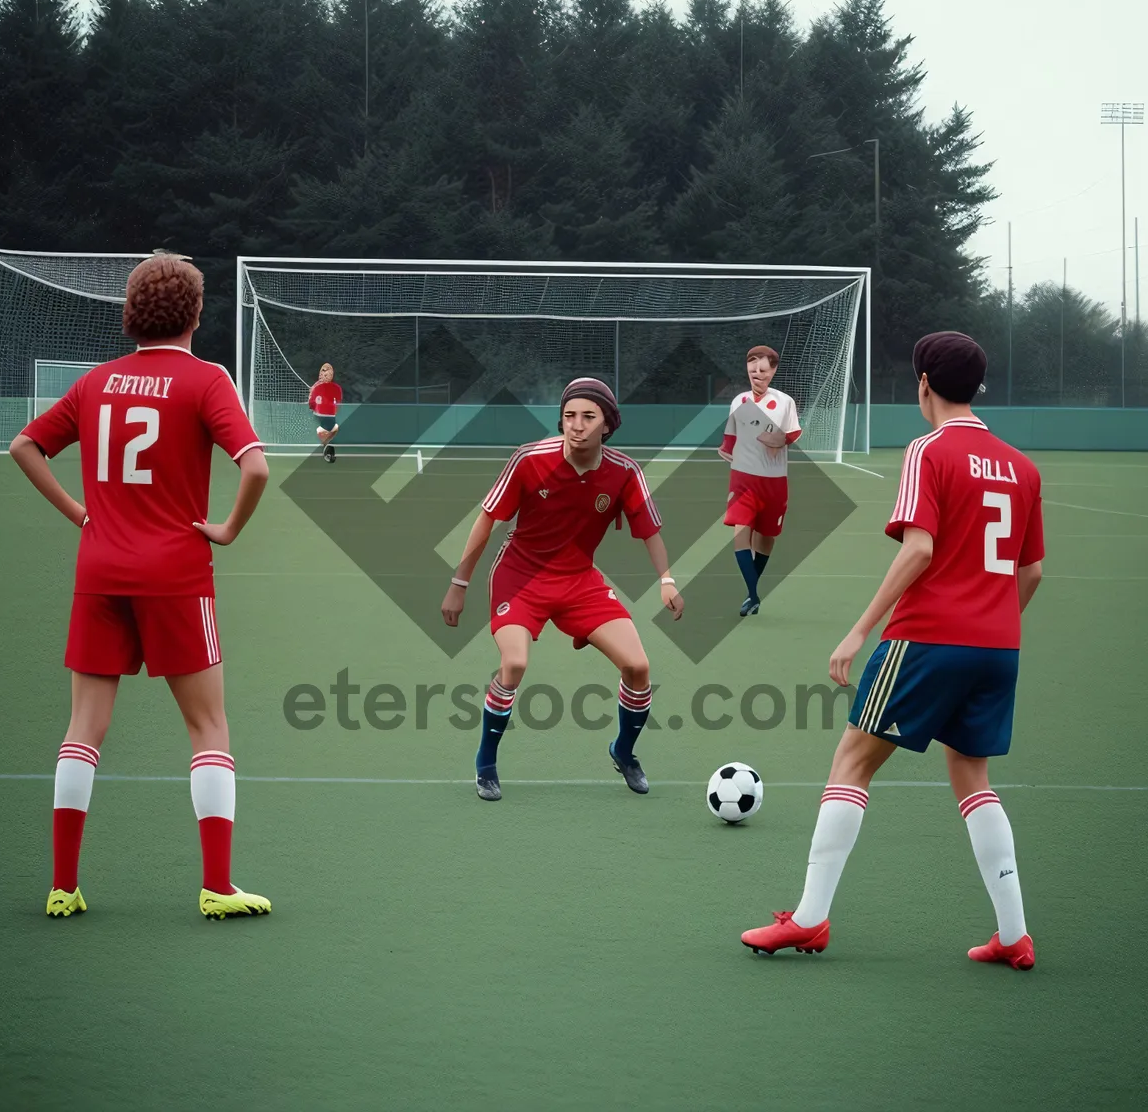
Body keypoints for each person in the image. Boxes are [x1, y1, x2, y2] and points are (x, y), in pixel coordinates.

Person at [741, 331, 1044, 969]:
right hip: (998, 647)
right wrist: (990, 623)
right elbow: (1033, 572)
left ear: (924, 384)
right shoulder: (1022, 465)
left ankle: (810, 919)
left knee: (852, 761)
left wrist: (858, 631)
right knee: (973, 776)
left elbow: (919, 548)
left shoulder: (928, 450)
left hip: (928, 638)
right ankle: (1014, 934)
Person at [9, 253, 272, 921]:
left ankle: (63, 886)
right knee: (208, 725)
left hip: (99, 572)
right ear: (196, 314)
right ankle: (217, 886)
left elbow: (24, 447)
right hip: (178, 576)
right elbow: (257, 469)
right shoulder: (207, 380)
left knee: (84, 729)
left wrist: (77, 514)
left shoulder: (96, 382)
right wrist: (228, 529)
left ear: (131, 313)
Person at [440, 378, 684, 801]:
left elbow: (651, 532)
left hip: (579, 581)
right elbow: (487, 518)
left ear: (607, 425)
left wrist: (666, 580)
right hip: (520, 576)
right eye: (570, 416)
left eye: (588, 417)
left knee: (639, 667)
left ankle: (623, 752)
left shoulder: (625, 472)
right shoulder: (530, 460)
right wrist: (458, 584)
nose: (577, 425)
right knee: (514, 664)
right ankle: (486, 763)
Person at [717, 345, 802, 616]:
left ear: (773, 371)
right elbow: (730, 434)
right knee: (741, 531)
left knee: (766, 536)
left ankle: (751, 591)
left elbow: (793, 432)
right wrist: (726, 449)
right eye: (753, 368)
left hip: (774, 481)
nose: (757, 374)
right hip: (742, 478)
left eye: (763, 370)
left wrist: (781, 440)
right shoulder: (738, 401)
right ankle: (752, 594)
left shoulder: (785, 402)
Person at [309, 363, 343, 462]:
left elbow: (311, 404)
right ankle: (326, 449)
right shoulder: (333, 387)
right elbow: (337, 405)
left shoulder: (316, 387)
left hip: (321, 415)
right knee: (333, 428)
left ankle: (326, 447)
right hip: (325, 415)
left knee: (331, 429)